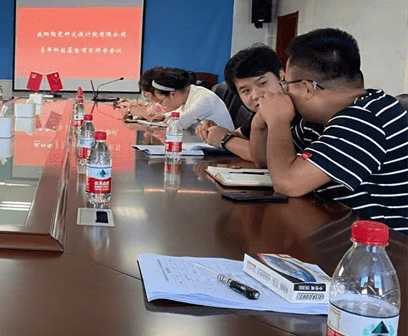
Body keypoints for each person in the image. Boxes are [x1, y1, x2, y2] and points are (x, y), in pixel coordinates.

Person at [251, 28, 407, 234]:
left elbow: (288, 183)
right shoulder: (320, 119)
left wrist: (278, 120)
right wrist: (259, 122)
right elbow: (265, 161)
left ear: (306, 88)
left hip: (385, 243)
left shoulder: (366, 119)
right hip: (338, 224)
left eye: (286, 85)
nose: (283, 92)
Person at [196, 45, 284, 161]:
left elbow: (271, 157)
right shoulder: (261, 112)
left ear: (281, 75)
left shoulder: (298, 111)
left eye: (262, 83)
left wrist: (226, 140)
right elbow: (241, 135)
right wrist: (215, 131)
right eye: (246, 91)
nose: (256, 95)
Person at [143, 67, 234, 130]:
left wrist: (169, 120)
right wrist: (164, 116)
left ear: (173, 94)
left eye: (161, 101)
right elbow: (181, 112)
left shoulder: (204, 99)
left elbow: (180, 123)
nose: (162, 104)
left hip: (223, 149)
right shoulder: (190, 94)